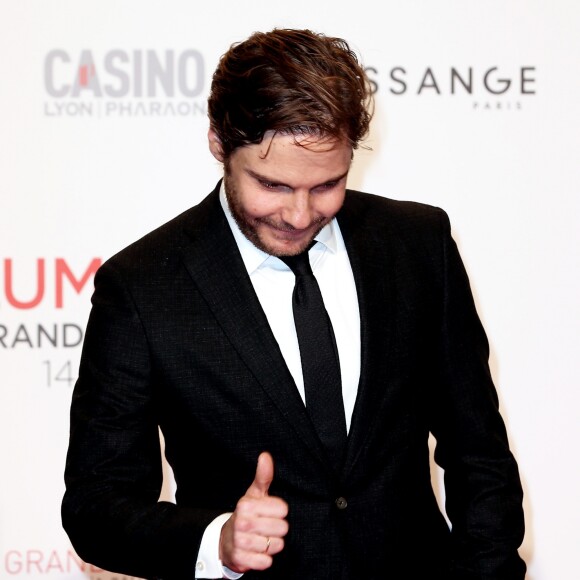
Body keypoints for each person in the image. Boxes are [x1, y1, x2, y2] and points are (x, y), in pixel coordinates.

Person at [62, 29, 526, 579]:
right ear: (218, 144)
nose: (301, 215)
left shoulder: (417, 245)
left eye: (328, 184)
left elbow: (480, 456)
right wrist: (218, 541)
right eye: (274, 186)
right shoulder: (142, 286)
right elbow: (96, 507)